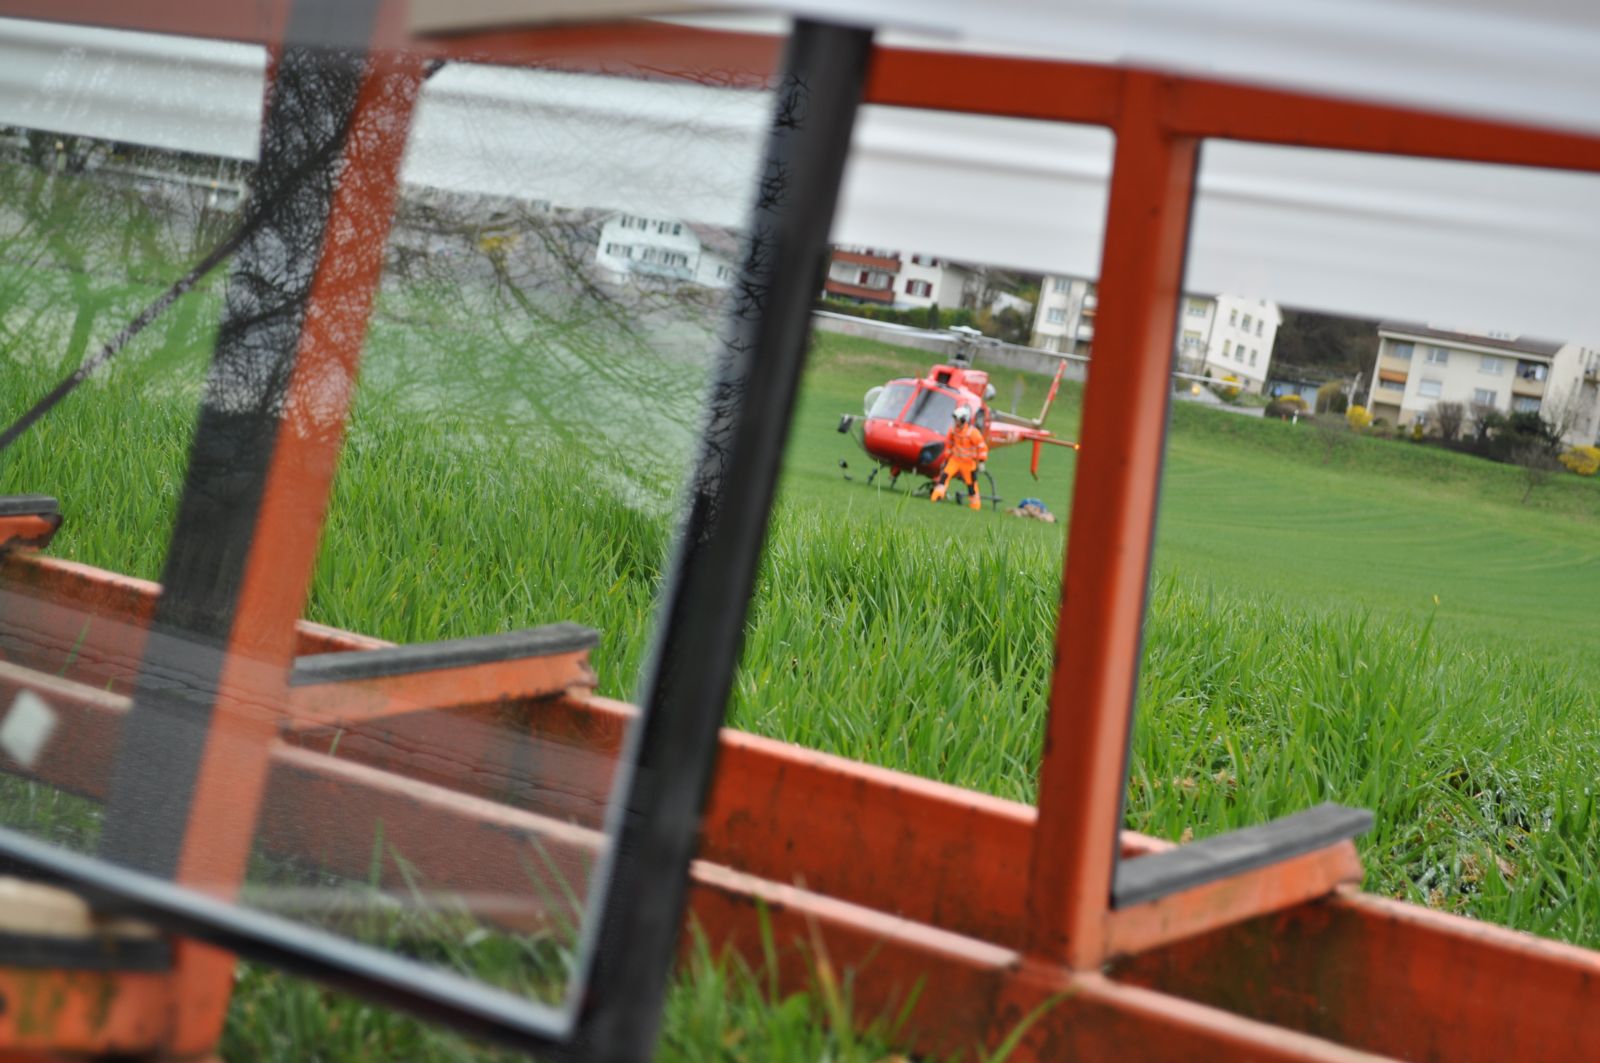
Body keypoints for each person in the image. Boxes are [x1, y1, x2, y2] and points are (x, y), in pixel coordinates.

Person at [929, 405, 988, 510]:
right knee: (944, 478)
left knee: (971, 485)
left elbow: (982, 447)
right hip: (955, 460)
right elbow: (949, 445)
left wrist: (982, 461)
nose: (956, 422)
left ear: (964, 419)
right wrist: (947, 459)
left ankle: (975, 506)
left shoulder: (973, 433)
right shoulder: (953, 431)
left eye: (958, 419)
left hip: (968, 463)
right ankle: (936, 497)